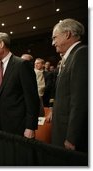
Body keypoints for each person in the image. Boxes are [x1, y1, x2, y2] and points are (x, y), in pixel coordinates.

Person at [51, 18, 87, 152]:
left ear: (67, 34)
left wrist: (73, 137)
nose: (53, 42)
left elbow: (80, 100)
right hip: (62, 128)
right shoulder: (70, 56)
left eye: (55, 37)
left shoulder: (81, 54)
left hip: (70, 134)